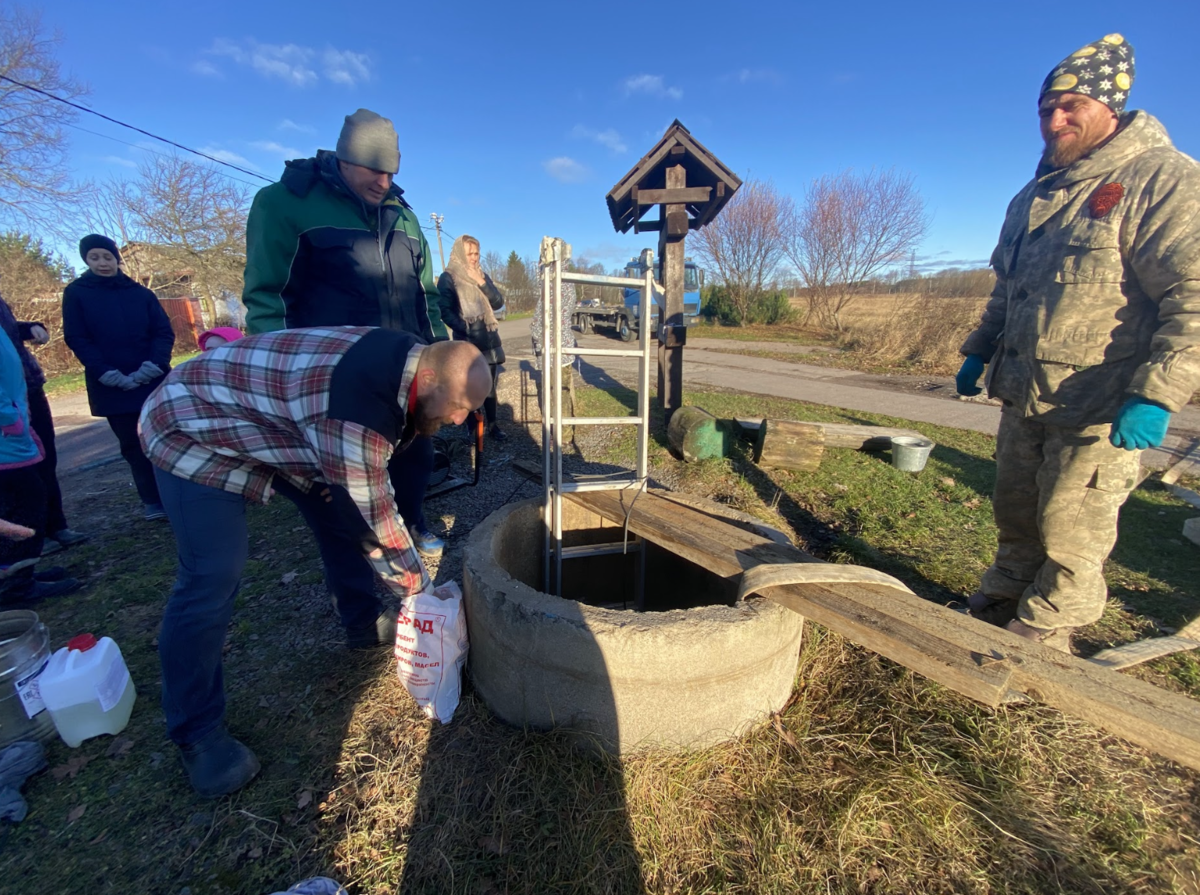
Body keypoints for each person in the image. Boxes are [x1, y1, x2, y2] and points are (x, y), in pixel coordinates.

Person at [138, 326, 491, 797]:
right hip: (192, 424)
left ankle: (362, 620)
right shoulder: (356, 413)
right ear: (427, 377)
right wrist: (419, 597)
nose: (459, 419)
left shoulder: (408, 367)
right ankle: (197, 733)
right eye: (458, 406)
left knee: (334, 507)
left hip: (279, 420)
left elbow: (353, 490)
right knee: (211, 573)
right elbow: (374, 518)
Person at [956, 34, 1200, 653]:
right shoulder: (1034, 198)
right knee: (1015, 510)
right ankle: (1010, 584)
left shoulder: (1161, 180)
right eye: (1046, 108)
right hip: (1024, 394)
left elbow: (1192, 295)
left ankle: (1053, 622)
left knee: (1073, 526)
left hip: (1101, 403)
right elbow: (1007, 291)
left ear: (1110, 107)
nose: (1055, 119)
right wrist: (980, 348)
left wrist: (1157, 394)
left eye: (1073, 105)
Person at [242, 108, 450, 557]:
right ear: (343, 158)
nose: (384, 182)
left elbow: (426, 296)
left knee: (415, 460)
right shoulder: (284, 204)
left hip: (407, 371)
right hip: (333, 377)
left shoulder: (405, 218)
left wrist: (440, 357)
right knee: (347, 478)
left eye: (392, 171)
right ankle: (358, 555)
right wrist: (278, 384)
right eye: (374, 170)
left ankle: (411, 526)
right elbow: (268, 298)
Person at [62, 234, 175, 521]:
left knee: (170, 436)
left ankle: (180, 492)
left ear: (117, 259)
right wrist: (106, 373)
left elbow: (162, 332)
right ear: (86, 260)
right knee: (133, 445)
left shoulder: (140, 293)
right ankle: (152, 500)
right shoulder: (76, 293)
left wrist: (153, 365)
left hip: (152, 378)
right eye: (95, 257)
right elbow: (77, 337)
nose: (102, 263)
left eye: (107, 257)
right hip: (112, 384)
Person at [0, 287, 87, 553]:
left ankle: (54, 526)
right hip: (7, 405)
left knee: (45, 460)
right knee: (17, 476)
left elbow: (8, 333)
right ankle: (25, 547)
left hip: (27, 388)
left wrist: (30, 328)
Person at [0, 331, 82, 605]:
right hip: (5, 434)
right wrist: (10, 418)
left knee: (29, 498)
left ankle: (23, 573)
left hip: (13, 427)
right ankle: (15, 586)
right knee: (21, 503)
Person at [437, 236, 507, 441]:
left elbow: (497, 302)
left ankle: (493, 426)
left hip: (490, 340)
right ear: (460, 253)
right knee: (468, 388)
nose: (474, 258)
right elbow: (444, 310)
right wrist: (465, 328)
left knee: (489, 388)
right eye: (470, 254)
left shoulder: (482, 275)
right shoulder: (448, 277)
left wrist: (481, 282)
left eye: (476, 253)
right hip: (467, 342)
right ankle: (472, 427)